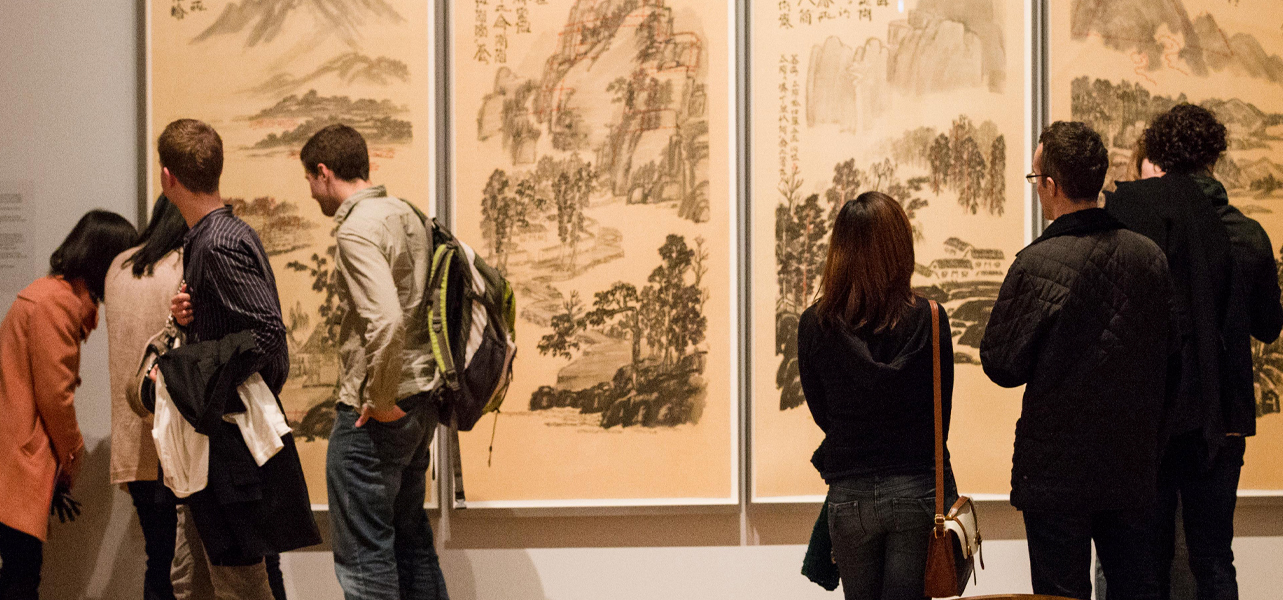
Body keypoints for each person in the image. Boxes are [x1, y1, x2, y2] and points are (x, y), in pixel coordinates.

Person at [981, 121, 1172, 600]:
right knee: (1136, 588)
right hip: (1131, 462)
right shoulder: (1149, 257)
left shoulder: (1036, 263)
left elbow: (1001, 364)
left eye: (1035, 179)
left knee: (1059, 596)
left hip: (1056, 470)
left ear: (1051, 185)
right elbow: (1171, 356)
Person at [1109, 104, 1283, 600]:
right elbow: (1269, 327)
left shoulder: (1138, 229)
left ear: (1160, 157)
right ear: (1214, 156)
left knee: (1149, 560)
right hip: (1223, 413)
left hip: (1156, 412)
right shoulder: (1247, 233)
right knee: (1213, 559)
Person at [162, 118, 320, 600]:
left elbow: (268, 334)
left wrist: (201, 376)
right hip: (224, 438)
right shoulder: (219, 234)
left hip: (229, 444)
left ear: (168, 177)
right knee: (216, 580)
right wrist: (190, 320)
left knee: (239, 585)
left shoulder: (217, 243)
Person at [299, 123, 447, 599]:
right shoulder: (408, 214)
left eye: (310, 179)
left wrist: (379, 400)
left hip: (378, 414)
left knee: (366, 563)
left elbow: (385, 322)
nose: (311, 192)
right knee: (412, 545)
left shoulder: (356, 230)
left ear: (324, 172)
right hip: (421, 401)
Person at [797, 191, 957, 600]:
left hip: (849, 492)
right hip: (916, 487)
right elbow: (940, 415)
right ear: (901, 247)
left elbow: (822, 412)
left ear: (839, 251)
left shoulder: (815, 324)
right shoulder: (931, 318)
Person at [0, 210, 139, 598]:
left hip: (13, 456)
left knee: (18, 574)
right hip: (21, 460)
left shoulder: (48, 295)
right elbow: (55, 398)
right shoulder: (56, 304)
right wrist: (74, 457)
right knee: (21, 579)